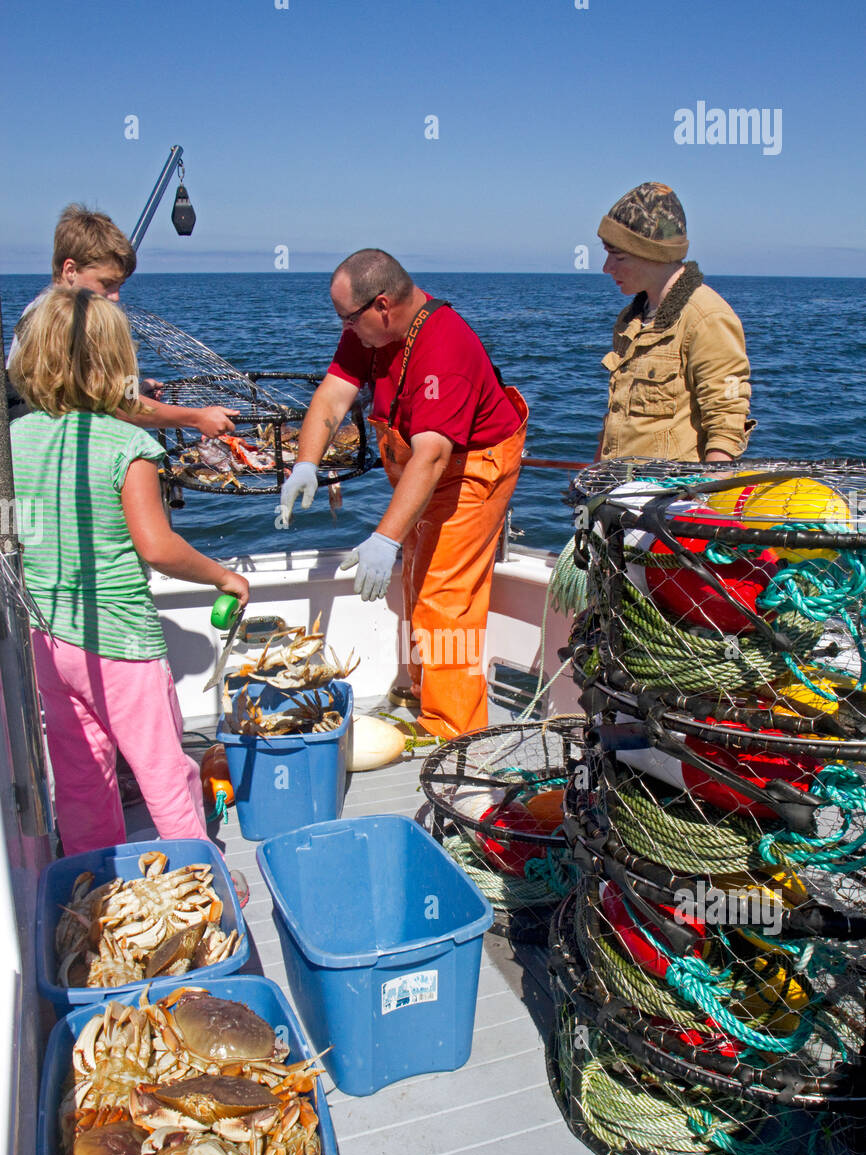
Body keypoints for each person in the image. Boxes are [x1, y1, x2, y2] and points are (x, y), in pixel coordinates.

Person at [8, 286, 250, 857]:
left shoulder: (13, 439)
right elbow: (158, 547)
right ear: (118, 365)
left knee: (81, 772)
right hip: (121, 643)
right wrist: (223, 577)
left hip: (44, 639)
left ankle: (92, 881)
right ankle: (198, 875)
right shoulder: (129, 444)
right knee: (163, 768)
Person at [279, 248, 528, 740]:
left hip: (469, 471)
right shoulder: (369, 333)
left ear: (382, 306)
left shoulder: (444, 347)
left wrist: (384, 536)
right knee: (415, 578)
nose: (343, 328)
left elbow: (433, 456)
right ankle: (422, 692)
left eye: (347, 318)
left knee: (443, 593)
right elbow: (332, 394)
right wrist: (306, 462)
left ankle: (452, 730)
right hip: (420, 469)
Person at [7, 205, 238, 438]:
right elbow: (120, 406)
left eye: (120, 286)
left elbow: (95, 392)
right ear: (70, 270)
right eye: (106, 284)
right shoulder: (63, 321)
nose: (116, 296)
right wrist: (197, 418)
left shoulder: (42, 309)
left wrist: (135, 390)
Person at [595, 182, 754, 464]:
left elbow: (727, 426)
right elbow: (615, 420)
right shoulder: (629, 320)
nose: (607, 267)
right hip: (617, 498)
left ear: (653, 255)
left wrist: (702, 500)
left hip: (670, 503)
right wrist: (594, 478)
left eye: (618, 256)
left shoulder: (707, 318)